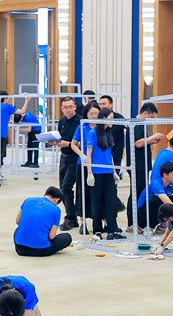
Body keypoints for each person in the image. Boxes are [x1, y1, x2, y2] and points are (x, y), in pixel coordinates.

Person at [83, 108, 124, 240]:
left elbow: (109, 154)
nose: (112, 121)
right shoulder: (93, 133)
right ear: (104, 118)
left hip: (108, 172)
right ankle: (97, 230)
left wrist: (114, 171)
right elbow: (89, 154)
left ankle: (112, 229)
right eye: (110, 118)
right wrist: (89, 173)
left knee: (110, 201)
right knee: (96, 202)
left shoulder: (108, 133)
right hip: (97, 172)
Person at [126, 103, 164, 232]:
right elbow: (138, 143)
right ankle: (132, 223)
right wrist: (152, 137)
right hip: (137, 165)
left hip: (143, 165)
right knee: (136, 193)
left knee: (141, 192)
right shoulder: (135, 124)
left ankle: (139, 221)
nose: (151, 119)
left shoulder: (141, 125)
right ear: (146, 113)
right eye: (151, 116)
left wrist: (152, 140)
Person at [51, 96, 82, 231]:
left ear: (75, 106)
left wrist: (68, 144)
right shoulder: (62, 121)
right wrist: (54, 142)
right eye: (65, 107)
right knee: (62, 189)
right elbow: (60, 138)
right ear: (61, 109)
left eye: (70, 107)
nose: (68, 110)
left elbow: (83, 143)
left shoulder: (80, 122)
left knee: (66, 186)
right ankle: (72, 217)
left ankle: (70, 217)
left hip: (76, 158)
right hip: (64, 157)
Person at [14, 187, 72, 256]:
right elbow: (51, 236)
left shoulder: (28, 201)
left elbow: (17, 221)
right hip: (41, 250)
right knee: (67, 237)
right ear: (57, 200)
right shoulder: (56, 210)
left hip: (20, 249)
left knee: (18, 230)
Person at [70, 102, 100, 231]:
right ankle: (83, 223)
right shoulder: (82, 126)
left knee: (98, 194)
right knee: (82, 193)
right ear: (86, 114)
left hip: (98, 165)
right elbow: (73, 144)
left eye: (96, 113)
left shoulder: (102, 126)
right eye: (91, 114)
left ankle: (100, 221)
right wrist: (81, 154)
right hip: (82, 164)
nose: (94, 116)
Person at [137, 162, 173, 230]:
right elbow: (168, 202)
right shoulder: (156, 183)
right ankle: (149, 226)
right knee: (157, 201)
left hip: (157, 211)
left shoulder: (172, 184)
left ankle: (163, 225)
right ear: (165, 175)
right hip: (143, 215)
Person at [13, 96, 41, 167]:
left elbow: (29, 129)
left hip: (36, 130)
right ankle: (29, 161)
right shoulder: (20, 113)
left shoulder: (28, 117)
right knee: (29, 145)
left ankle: (36, 163)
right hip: (32, 131)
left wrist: (19, 129)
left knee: (35, 146)